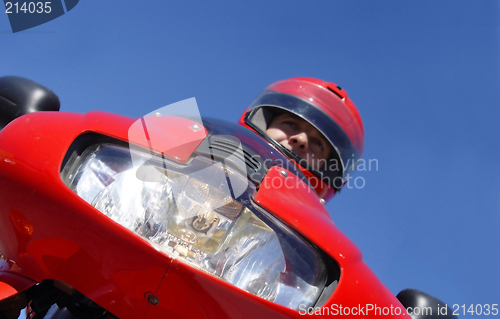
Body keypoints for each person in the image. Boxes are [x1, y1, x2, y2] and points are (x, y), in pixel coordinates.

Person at [238, 77, 364, 202]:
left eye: (318, 144)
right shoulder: (217, 154)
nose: (301, 139)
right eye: (290, 124)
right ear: (263, 121)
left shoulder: (304, 222)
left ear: (327, 168)